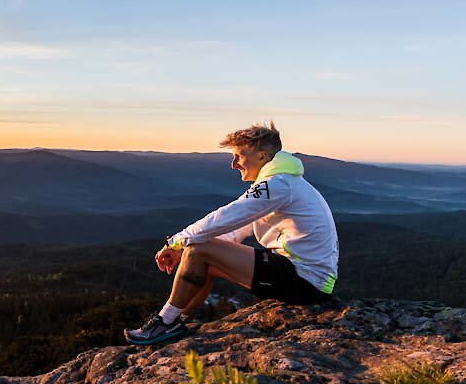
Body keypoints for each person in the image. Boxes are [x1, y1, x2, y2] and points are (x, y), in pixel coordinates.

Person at [124, 122, 340, 345]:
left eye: (239, 156)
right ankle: (173, 321)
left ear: (262, 156)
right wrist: (188, 250)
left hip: (303, 279)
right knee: (200, 253)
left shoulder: (277, 185)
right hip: (308, 279)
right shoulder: (284, 183)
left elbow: (225, 217)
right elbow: (236, 230)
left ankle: (165, 323)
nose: (233, 164)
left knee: (200, 249)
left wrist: (176, 242)